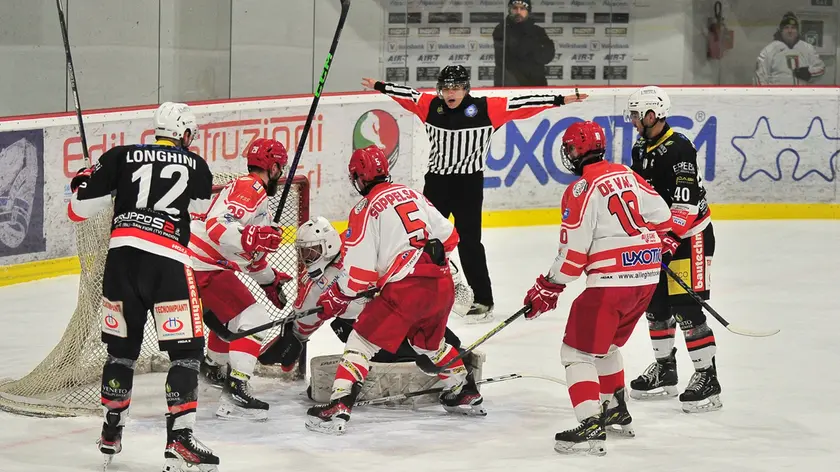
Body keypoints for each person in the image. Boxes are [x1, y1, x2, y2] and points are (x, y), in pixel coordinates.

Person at [361, 66, 587, 323]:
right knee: (421, 240)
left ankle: (483, 299)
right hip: (436, 183)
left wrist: (559, 99)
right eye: (446, 88)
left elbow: (523, 104)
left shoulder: (485, 109)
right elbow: (407, 94)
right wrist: (380, 85)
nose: (450, 93)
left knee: (470, 243)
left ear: (466, 88)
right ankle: (414, 294)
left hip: (468, 185)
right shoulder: (430, 106)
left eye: (455, 87)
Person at [67, 102, 219, 471]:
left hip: (120, 264)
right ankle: (180, 440)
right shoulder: (196, 164)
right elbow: (199, 208)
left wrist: (85, 180)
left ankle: (111, 430)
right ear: (184, 134)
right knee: (185, 353)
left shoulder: (119, 155)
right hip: (167, 265)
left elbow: (77, 211)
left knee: (120, 353)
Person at [305, 145, 485, 435]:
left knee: (361, 340)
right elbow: (451, 238)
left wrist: (335, 297)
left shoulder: (365, 209)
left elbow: (359, 277)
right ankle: (464, 389)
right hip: (440, 283)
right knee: (428, 345)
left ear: (358, 178)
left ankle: (338, 405)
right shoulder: (412, 193)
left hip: (406, 289)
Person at [522, 121, 672, 456]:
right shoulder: (626, 173)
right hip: (646, 279)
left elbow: (573, 256)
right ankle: (616, 411)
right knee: (604, 347)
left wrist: (549, 286)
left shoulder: (581, 189)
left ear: (575, 151)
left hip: (611, 285)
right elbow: (663, 217)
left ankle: (591, 423)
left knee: (575, 353)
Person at [257, 216, 470, 376]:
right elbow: (302, 325)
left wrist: (451, 278)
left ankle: (436, 358)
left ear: (328, 244)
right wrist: (289, 343)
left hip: (397, 307)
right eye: (304, 252)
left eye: (312, 251)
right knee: (407, 354)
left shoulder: (360, 245)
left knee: (451, 343)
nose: (307, 258)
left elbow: (407, 259)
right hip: (362, 325)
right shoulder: (314, 285)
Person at [625, 86, 722, 413]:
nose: (634, 120)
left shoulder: (679, 148)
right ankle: (665, 369)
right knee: (656, 305)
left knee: (686, 308)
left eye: (637, 114)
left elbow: (686, 203)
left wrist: (669, 239)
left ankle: (708, 376)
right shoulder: (640, 146)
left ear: (652, 115)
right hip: (661, 238)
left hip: (690, 236)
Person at [189, 138, 293, 422]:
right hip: (201, 264)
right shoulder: (251, 188)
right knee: (254, 318)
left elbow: (252, 258)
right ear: (272, 167)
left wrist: (269, 281)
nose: (281, 174)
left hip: (202, 265)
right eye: (279, 168)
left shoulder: (258, 202)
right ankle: (235, 390)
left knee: (233, 317)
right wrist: (252, 236)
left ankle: (212, 366)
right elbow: (217, 227)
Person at [493, 0, 555, 87]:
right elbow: (509, 60)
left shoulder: (538, 31)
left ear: (528, 11)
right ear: (509, 10)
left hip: (536, 85)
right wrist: (534, 46)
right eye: (515, 8)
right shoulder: (502, 30)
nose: (518, 12)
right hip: (510, 86)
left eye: (522, 8)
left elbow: (546, 57)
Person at [754, 11, 825, 85]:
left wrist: (809, 73)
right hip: (778, 95)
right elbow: (760, 76)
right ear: (781, 30)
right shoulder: (768, 50)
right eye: (786, 28)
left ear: (797, 31)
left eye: (793, 28)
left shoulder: (808, 48)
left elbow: (821, 68)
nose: (790, 31)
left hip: (802, 95)